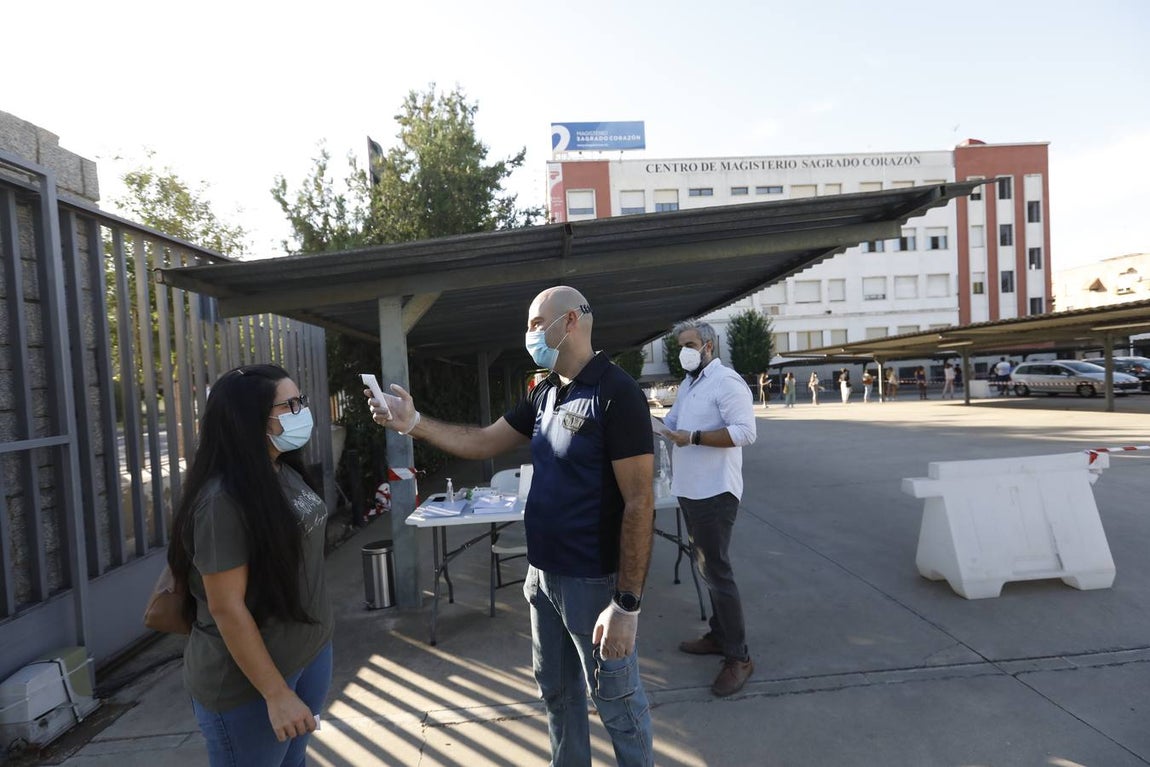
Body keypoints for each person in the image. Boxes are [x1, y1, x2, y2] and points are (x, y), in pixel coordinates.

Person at [367, 286, 655, 767]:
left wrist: (626, 605)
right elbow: (484, 441)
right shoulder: (545, 391)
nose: (529, 334)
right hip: (542, 578)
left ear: (570, 322)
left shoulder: (615, 393)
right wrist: (412, 422)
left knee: (618, 704)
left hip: (592, 581)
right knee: (558, 697)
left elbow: (640, 502)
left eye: (536, 323)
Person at [167, 364, 332, 767]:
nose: (302, 411)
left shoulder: (279, 468)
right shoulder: (221, 500)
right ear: (251, 419)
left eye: (301, 401)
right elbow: (226, 607)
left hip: (305, 654)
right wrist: (276, 694)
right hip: (251, 685)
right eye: (290, 405)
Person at [661, 320, 757, 697]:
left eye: (689, 344)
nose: (683, 351)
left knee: (717, 570)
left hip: (715, 492)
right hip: (691, 490)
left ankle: (739, 658)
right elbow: (673, 423)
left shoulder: (726, 382)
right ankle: (719, 636)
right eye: (680, 345)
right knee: (706, 566)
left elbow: (745, 432)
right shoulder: (689, 384)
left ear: (708, 347)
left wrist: (695, 438)